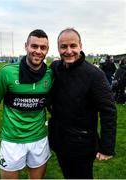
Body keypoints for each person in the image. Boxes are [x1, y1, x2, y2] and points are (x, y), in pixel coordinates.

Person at [0, 29, 53, 179]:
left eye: (42, 47)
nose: (38, 51)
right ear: (26, 46)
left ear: (47, 50)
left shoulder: (50, 74)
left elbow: (52, 104)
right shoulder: (6, 73)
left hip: (39, 139)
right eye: (34, 46)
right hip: (11, 141)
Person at [48, 28, 117, 179]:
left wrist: (106, 147)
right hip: (60, 141)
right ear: (58, 48)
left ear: (80, 46)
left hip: (82, 145)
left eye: (73, 46)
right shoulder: (55, 68)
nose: (68, 51)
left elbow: (109, 110)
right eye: (63, 46)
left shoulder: (95, 75)